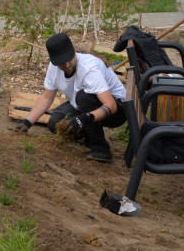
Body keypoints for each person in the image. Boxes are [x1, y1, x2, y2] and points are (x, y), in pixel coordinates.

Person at [12, 33, 127, 163]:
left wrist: (84, 119)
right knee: (55, 122)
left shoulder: (89, 68)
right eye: (61, 62)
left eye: (69, 59)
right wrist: (27, 122)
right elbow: (46, 98)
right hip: (86, 105)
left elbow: (111, 106)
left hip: (118, 110)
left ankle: (101, 150)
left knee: (84, 98)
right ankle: (89, 134)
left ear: (73, 51)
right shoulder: (54, 68)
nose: (66, 65)